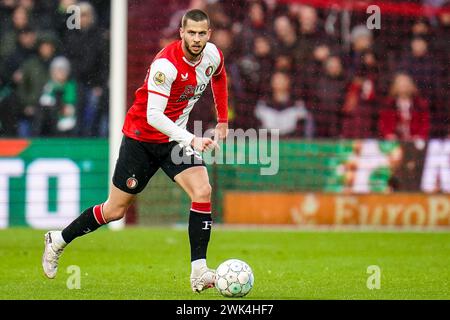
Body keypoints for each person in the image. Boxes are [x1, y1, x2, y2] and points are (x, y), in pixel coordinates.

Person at [41, 9, 229, 293]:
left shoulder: (213, 55)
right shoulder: (165, 66)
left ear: (209, 34)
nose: (197, 39)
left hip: (173, 141)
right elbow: (154, 116)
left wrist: (223, 120)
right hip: (141, 139)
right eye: (191, 32)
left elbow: (220, 77)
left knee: (203, 191)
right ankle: (58, 239)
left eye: (202, 33)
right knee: (114, 210)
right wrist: (191, 139)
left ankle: (199, 271)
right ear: (181, 33)